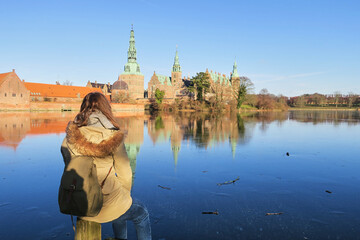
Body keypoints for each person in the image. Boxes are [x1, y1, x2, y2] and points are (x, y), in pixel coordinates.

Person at [60, 92, 151, 240]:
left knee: (121, 206)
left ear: (83, 109)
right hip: (109, 206)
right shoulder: (113, 137)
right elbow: (125, 174)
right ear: (106, 109)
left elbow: (68, 165)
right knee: (142, 214)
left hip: (81, 205)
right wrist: (124, 195)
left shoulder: (70, 137)